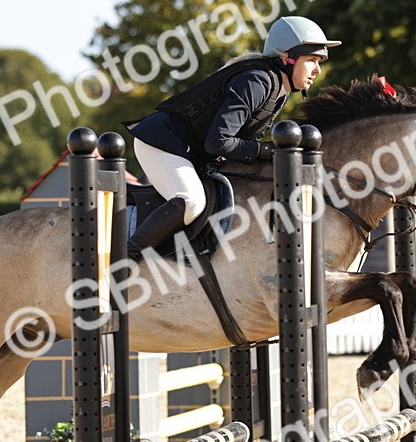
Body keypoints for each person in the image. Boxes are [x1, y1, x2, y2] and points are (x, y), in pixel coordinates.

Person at [124, 15, 341, 260]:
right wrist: (266, 151)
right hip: (163, 143)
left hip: (190, 150)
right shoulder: (257, 81)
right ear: (286, 58)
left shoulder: (279, 89)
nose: (318, 69)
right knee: (191, 201)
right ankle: (123, 260)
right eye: (311, 60)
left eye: (319, 61)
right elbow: (218, 142)